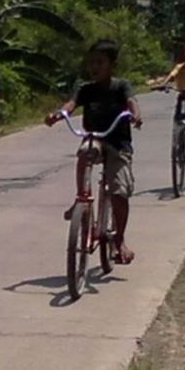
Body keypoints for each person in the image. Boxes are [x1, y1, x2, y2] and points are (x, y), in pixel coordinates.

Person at [45, 39, 142, 264]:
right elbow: (71, 104)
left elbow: (132, 101)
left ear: (112, 65)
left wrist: (135, 114)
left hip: (118, 143)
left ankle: (119, 240)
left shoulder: (121, 86)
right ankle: (81, 196)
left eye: (100, 62)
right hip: (96, 138)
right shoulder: (84, 88)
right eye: (91, 63)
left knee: (119, 192)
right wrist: (58, 114)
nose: (94, 67)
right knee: (85, 150)